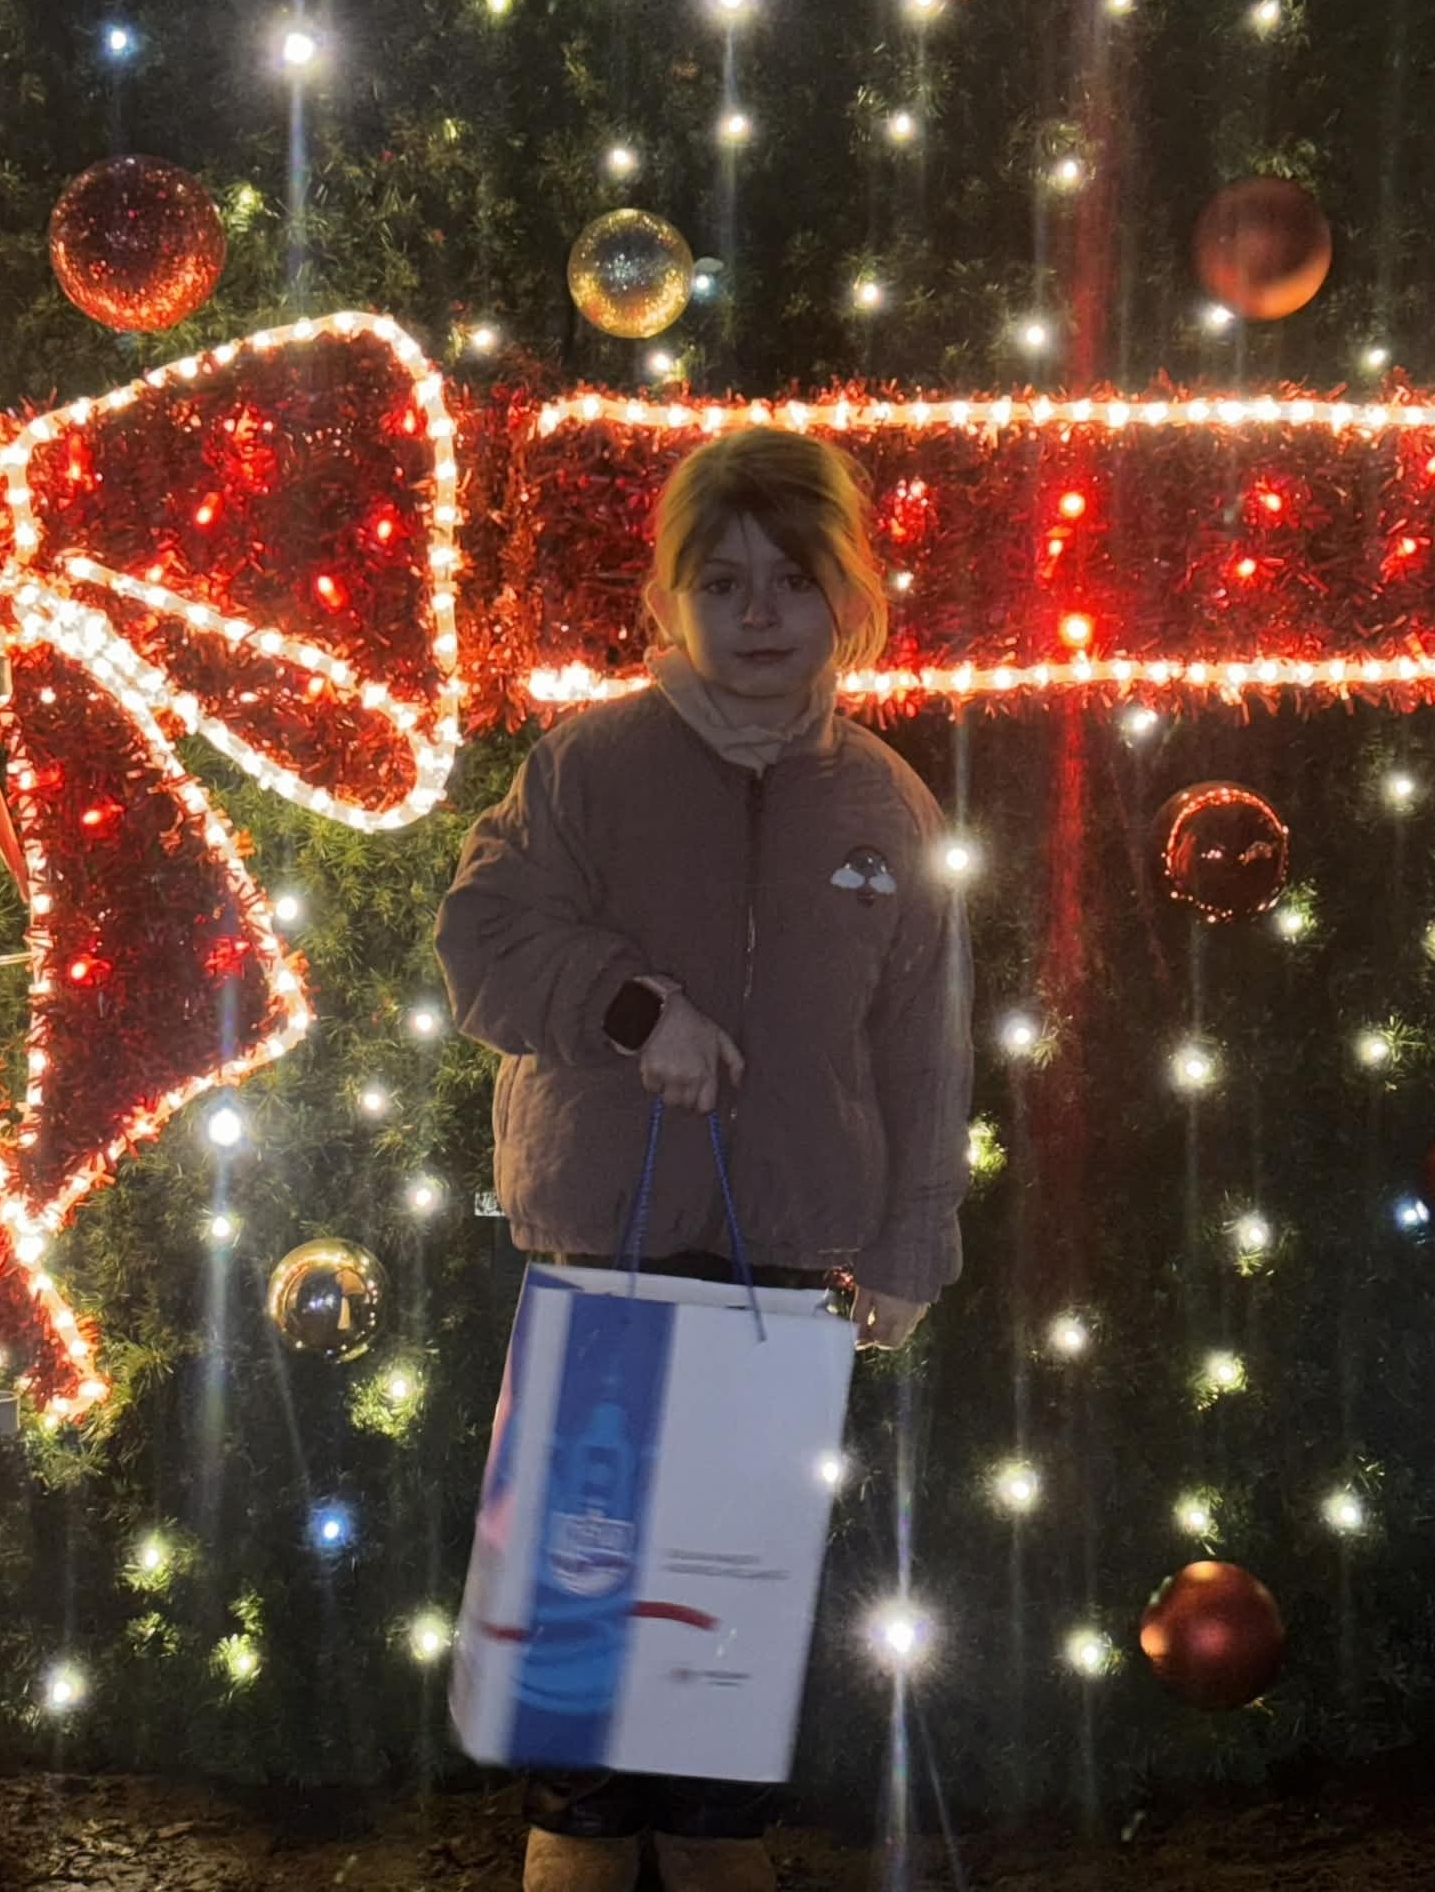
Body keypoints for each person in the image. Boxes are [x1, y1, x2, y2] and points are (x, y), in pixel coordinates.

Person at [434, 426, 974, 1892]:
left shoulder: (888, 808)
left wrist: (911, 1250)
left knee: (725, 1716)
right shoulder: (587, 767)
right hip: (602, 1286)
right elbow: (481, 944)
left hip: (780, 1295)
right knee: (585, 1732)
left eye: (791, 581)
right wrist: (634, 1010)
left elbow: (925, 1052)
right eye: (721, 582)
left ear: (847, 597)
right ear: (667, 600)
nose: (758, 615)